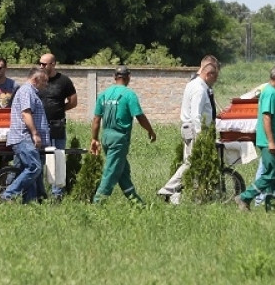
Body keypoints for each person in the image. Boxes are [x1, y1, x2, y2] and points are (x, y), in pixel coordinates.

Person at [90, 66, 157, 203]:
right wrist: (150, 130)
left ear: (115, 77)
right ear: (128, 77)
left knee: (123, 172)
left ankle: (137, 203)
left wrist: (94, 139)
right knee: (111, 172)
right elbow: (139, 116)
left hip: (106, 138)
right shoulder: (129, 94)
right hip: (119, 139)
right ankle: (97, 202)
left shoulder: (103, 94)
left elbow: (96, 119)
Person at [158, 61, 219, 203]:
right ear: (208, 74)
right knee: (191, 162)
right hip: (193, 128)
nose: (215, 82)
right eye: (215, 78)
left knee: (189, 162)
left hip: (188, 128)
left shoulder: (193, 84)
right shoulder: (199, 89)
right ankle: (167, 189)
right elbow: (195, 114)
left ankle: (174, 196)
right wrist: (200, 135)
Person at [235, 64, 275, 212]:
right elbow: (266, 118)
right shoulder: (269, 93)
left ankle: (270, 206)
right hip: (269, 142)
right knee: (271, 174)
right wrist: (271, 141)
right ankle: (245, 197)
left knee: (273, 175)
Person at [1, 69, 50, 204]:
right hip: (24, 137)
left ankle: (31, 202)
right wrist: (35, 133)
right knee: (34, 167)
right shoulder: (26, 91)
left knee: (28, 170)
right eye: (44, 81)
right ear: (35, 80)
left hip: (26, 137)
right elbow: (26, 114)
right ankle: (8, 194)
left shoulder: (31, 92)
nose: (46, 84)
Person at [38, 53, 77, 199]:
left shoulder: (64, 81)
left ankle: (57, 194)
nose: (41, 66)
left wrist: (60, 110)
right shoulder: (38, 80)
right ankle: (40, 192)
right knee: (39, 159)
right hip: (39, 126)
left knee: (57, 158)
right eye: (40, 64)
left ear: (53, 64)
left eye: (44, 64)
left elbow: (73, 101)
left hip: (57, 125)